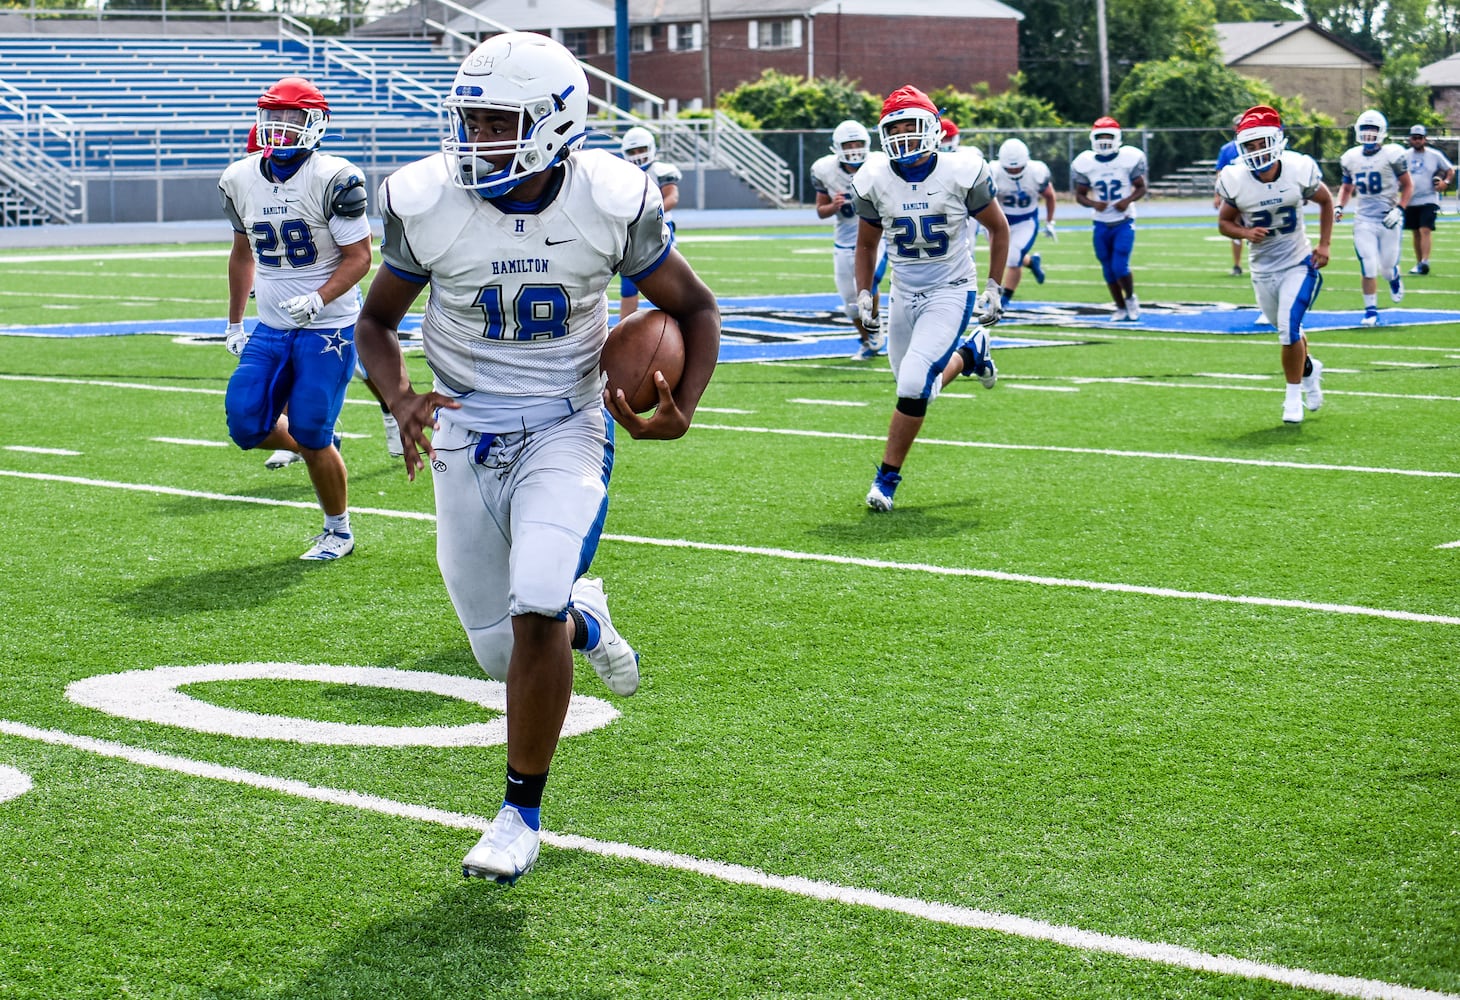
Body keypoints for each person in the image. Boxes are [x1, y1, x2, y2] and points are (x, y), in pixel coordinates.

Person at [352, 32, 720, 886]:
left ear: (557, 124)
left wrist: (684, 409)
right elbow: (375, 324)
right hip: (464, 425)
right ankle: (585, 622)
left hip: (566, 419)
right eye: (468, 119)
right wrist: (398, 396)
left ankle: (520, 811)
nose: (474, 138)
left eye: (495, 121)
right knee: (500, 649)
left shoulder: (611, 199)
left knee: (532, 606)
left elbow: (693, 308)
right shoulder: (426, 200)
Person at [220, 76, 371, 560]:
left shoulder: (335, 177)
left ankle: (338, 531)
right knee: (245, 423)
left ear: (316, 123)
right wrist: (235, 322)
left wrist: (319, 298)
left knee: (310, 428)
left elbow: (361, 256)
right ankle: (319, 445)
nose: (280, 127)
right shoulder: (239, 177)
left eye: (292, 117)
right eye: (273, 116)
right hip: (272, 326)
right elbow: (242, 254)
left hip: (328, 328)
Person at [851, 84, 1007, 512]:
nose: (902, 134)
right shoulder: (873, 178)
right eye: (894, 126)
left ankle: (886, 481)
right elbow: (865, 246)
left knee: (913, 383)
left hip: (951, 289)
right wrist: (866, 292)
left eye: (910, 124)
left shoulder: (962, 170)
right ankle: (972, 354)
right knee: (920, 388)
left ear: (933, 129)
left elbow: (999, 228)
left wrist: (994, 287)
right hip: (903, 291)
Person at [1215, 105, 1334, 425]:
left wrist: (1324, 244)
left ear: (1277, 140)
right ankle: (1309, 369)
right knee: (1286, 328)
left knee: (1287, 328)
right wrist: (1244, 231)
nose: (1257, 151)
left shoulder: (1299, 168)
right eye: (1250, 146)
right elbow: (1224, 223)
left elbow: (1325, 200)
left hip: (1298, 261)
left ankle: (1292, 398)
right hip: (1263, 268)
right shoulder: (1234, 178)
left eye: (1262, 143)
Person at [810, 119, 887, 359]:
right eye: (848, 144)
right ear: (837, 147)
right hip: (844, 241)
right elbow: (820, 211)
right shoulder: (824, 169)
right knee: (850, 301)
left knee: (868, 283)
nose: (854, 148)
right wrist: (834, 206)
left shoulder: (880, 164)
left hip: (877, 237)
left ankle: (874, 321)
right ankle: (867, 340)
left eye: (858, 143)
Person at [1336, 109, 1412, 326]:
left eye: (1373, 129)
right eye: (1365, 129)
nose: (1369, 134)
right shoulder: (1350, 157)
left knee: (1387, 269)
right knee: (1368, 265)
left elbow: (1408, 185)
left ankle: (1394, 278)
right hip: (1364, 220)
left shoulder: (1393, 155)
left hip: (1389, 218)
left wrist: (1400, 209)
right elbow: (1347, 186)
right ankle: (1371, 311)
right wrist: (1340, 206)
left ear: (1382, 132)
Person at [1072, 116, 1148, 321]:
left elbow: (1142, 187)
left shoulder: (1127, 159)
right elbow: (1079, 195)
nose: (1104, 140)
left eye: (1108, 135)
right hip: (1100, 222)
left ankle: (1131, 299)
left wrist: (1128, 200)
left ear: (1117, 138)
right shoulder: (1085, 162)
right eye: (1100, 135)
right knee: (1107, 269)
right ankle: (1120, 306)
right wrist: (1093, 203)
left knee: (1119, 266)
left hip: (1124, 220)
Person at [617, 125, 681, 320]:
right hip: (631, 230)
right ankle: (624, 326)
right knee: (628, 280)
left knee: (667, 277)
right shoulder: (620, 172)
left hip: (658, 228)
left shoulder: (661, 170)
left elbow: (672, 197)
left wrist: (649, 212)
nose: (638, 155)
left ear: (651, 148)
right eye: (632, 151)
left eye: (642, 150)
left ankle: (676, 319)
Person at [990, 137, 1056, 307]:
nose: (1014, 171)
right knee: (1004, 256)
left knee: (1012, 258)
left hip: (1025, 220)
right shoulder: (993, 172)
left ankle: (1004, 299)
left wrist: (1050, 222)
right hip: (998, 221)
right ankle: (1032, 262)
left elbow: (1049, 195)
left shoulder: (1036, 172)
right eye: (1009, 168)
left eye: (1017, 167)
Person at [1403, 124, 1454, 275]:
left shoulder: (1434, 155)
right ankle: (1420, 264)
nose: (1417, 141)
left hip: (1429, 198)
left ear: (1425, 139)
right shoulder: (1404, 156)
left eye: (1420, 138)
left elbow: (1450, 170)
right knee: (1415, 232)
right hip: (1411, 199)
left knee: (1425, 229)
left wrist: (1446, 182)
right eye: (1414, 138)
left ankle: (1425, 261)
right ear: (1410, 139)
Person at [1213, 113, 1246, 276]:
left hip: (1256, 194)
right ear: (1234, 127)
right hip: (1235, 196)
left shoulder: (1257, 145)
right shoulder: (1228, 149)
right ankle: (1237, 264)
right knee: (1235, 228)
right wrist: (1217, 195)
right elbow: (1220, 172)